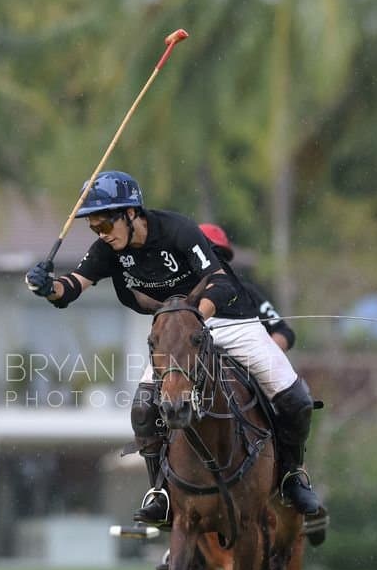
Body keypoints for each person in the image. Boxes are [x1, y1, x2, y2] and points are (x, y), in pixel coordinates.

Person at [24, 170, 321, 528]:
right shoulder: (108, 250)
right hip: (176, 335)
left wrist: (193, 318)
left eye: (105, 224)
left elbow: (221, 280)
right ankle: (160, 492)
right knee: (144, 407)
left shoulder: (177, 230)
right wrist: (46, 287)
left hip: (228, 319)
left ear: (132, 213)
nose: (102, 234)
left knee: (296, 399)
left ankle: (291, 475)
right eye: (95, 228)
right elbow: (72, 287)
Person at [198, 223, 327, 543]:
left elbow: (285, 332)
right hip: (200, 374)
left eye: (218, 255)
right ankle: (163, 491)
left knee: (286, 406)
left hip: (246, 369)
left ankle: (291, 476)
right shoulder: (180, 294)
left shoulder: (248, 293)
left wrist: (260, 352)